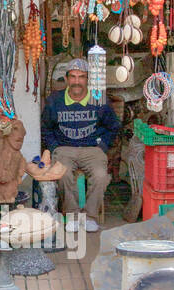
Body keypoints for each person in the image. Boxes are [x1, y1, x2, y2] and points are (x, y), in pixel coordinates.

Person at [41, 59, 120, 232]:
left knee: (101, 176)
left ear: (87, 79)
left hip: (92, 149)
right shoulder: (55, 101)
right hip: (64, 149)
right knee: (63, 174)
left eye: (81, 77)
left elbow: (113, 126)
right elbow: (46, 128)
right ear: (67, 79)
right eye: (73, 76)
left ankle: (90, 216)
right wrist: (54, 147)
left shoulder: (99, 100)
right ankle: (72, 216)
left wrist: (103, 147)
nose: (77, 81)